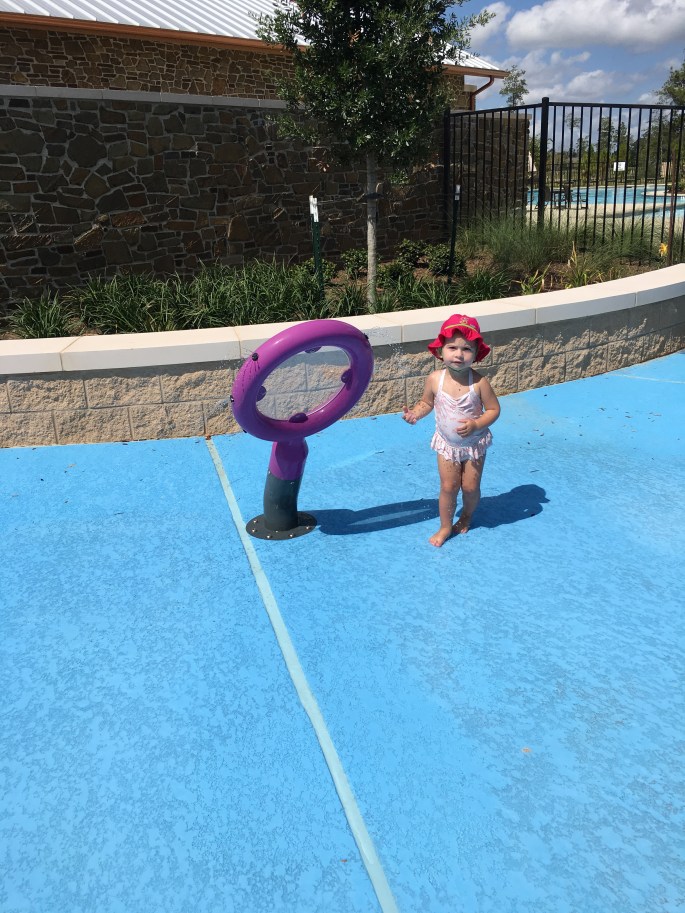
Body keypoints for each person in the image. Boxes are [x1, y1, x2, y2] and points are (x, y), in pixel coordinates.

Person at [403, 314, 500, 546]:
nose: (459, 354)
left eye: (466, 349)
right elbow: (426, 402)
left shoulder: (479, 383)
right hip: (447, 445)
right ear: (441, 350)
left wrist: (476, 424)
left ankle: (466, 515)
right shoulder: (435, 379)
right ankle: (445, 526)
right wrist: (415, 413)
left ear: (476, 354)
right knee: (448, 487)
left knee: (470, 487)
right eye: (452, 347)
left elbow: (494, 409)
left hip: (474, 445)